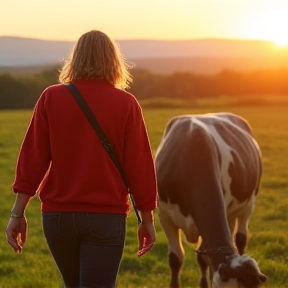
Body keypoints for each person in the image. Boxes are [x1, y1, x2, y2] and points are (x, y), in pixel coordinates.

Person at [6, 30, 157, 288]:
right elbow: (140, 167)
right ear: (113, 61)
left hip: (57, 219)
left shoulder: (50, 97)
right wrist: (147, 221)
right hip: (105, 217)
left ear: (75, 59)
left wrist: (16, 214)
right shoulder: (127, 104)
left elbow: (33, 159)